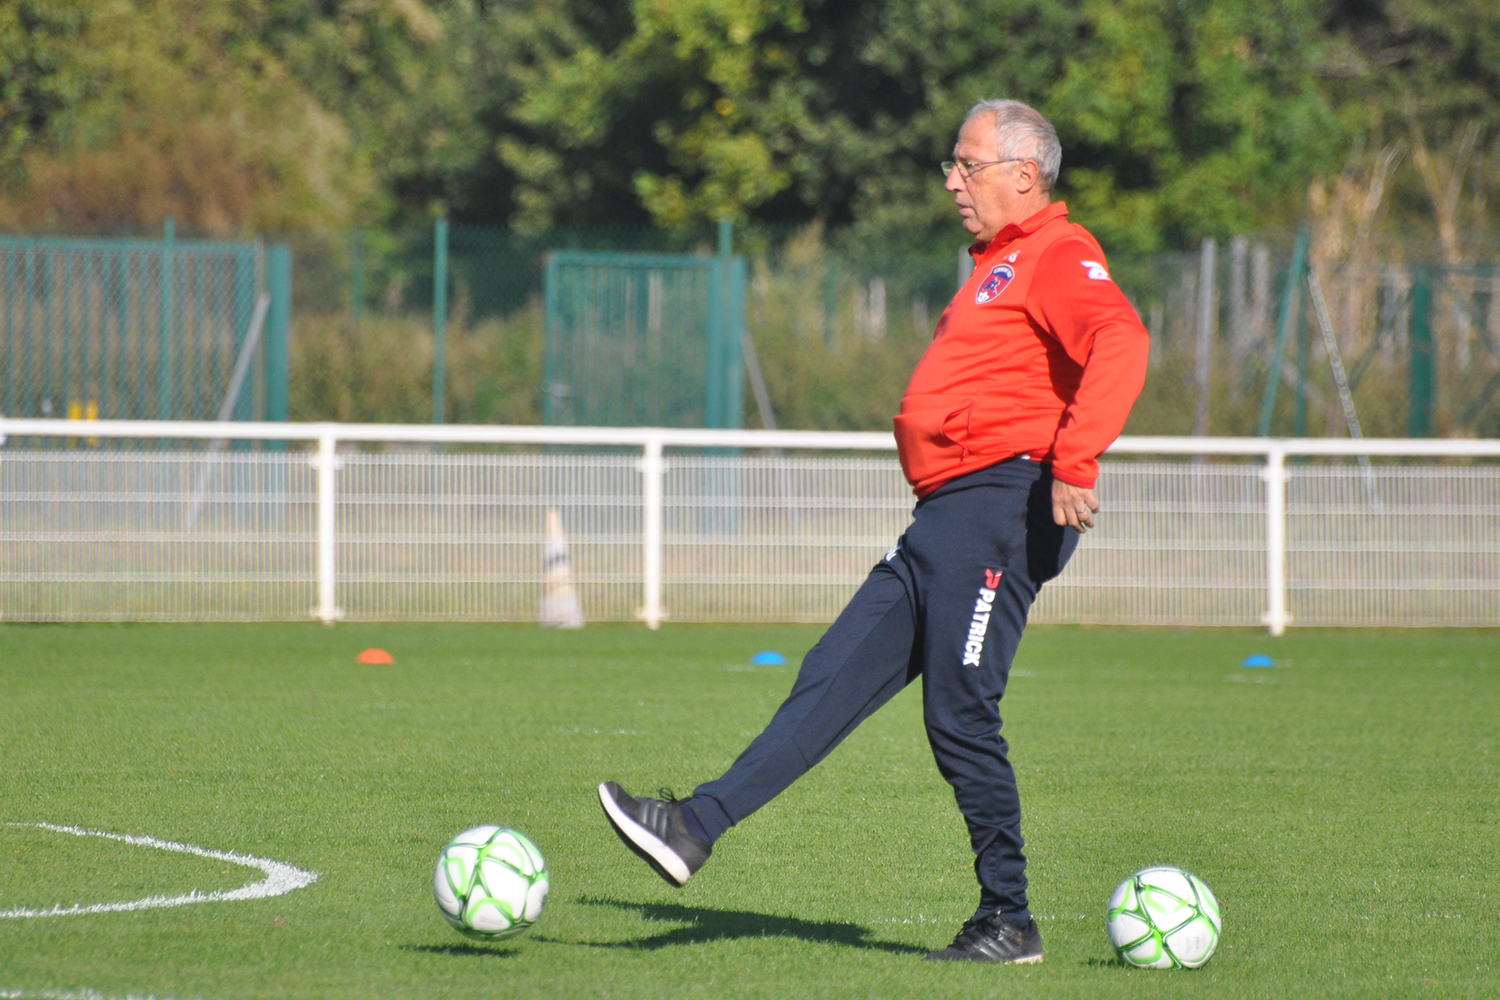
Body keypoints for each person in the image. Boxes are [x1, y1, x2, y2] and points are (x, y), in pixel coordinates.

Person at [597, 98, 1150, 964]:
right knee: (831, 674)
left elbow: (1121, 338)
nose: (951, 180)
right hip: (946, 518)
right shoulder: (992, 265)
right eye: (952, 164)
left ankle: (1009, 917)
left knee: (960, 710)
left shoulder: (1057, 251)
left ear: (1023, 175)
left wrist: (1076, 459)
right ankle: (693, 827)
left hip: (1001, 508)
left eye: (966, 165)